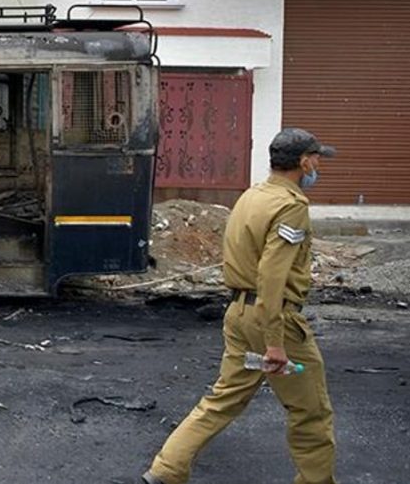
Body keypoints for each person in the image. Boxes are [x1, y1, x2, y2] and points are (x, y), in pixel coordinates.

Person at [143, 128, 339, 484]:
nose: (317, 166)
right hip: (274, 319)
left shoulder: (252, 196)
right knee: (311, 411)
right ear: (303, 161)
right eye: (316, 158)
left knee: (225, 398)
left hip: (238, 314)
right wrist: (276, 342)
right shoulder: (290, 207)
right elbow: (272, 276)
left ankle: (166, 470)